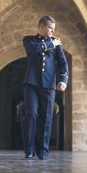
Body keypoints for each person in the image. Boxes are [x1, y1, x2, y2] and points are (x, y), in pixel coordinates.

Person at [21, 15, 69, 160]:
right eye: (50, 28)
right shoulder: (29, 40)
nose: (52, 32)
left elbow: (63, 64)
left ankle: (43, 151)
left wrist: (63, 80)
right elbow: (34, 49)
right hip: (31, 84)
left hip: (49, 85)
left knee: (47, 118)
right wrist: (51, 45)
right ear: (41, 27)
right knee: (31, 114)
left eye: (54, 29)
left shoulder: (57, 44)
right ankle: (29, 149)